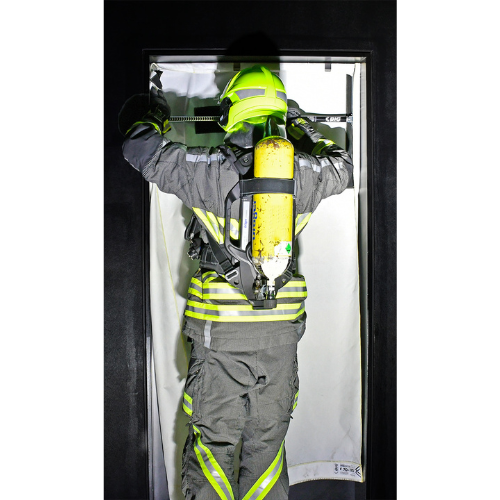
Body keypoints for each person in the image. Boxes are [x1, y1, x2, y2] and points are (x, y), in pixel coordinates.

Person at [119, 65, 353, 500]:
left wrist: (156, 115)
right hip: (281, 341)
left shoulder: (206, 171)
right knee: (268, 449)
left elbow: (138, 145)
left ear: (232, 111)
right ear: (277, 112)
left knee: (212, 448)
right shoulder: (307, 172)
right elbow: (344, 165)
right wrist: (301, 123)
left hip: (221, 340)